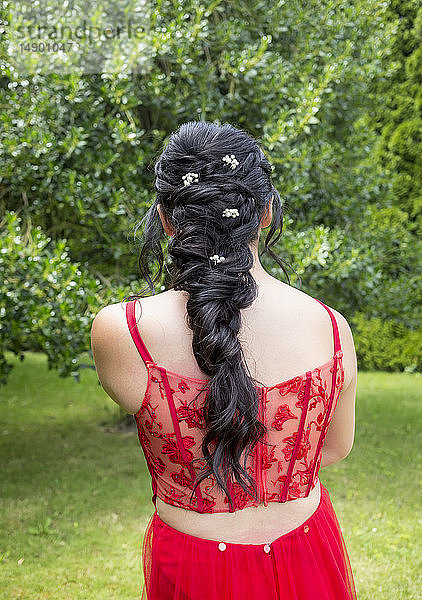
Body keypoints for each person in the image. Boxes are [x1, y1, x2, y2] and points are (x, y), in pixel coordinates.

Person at [91, 120, 358, 599]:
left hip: (194, 567)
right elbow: (333, 450)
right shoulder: (332, 328)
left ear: (167, 218)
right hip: (306, 552)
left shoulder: (122, 330)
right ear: (266, 213)